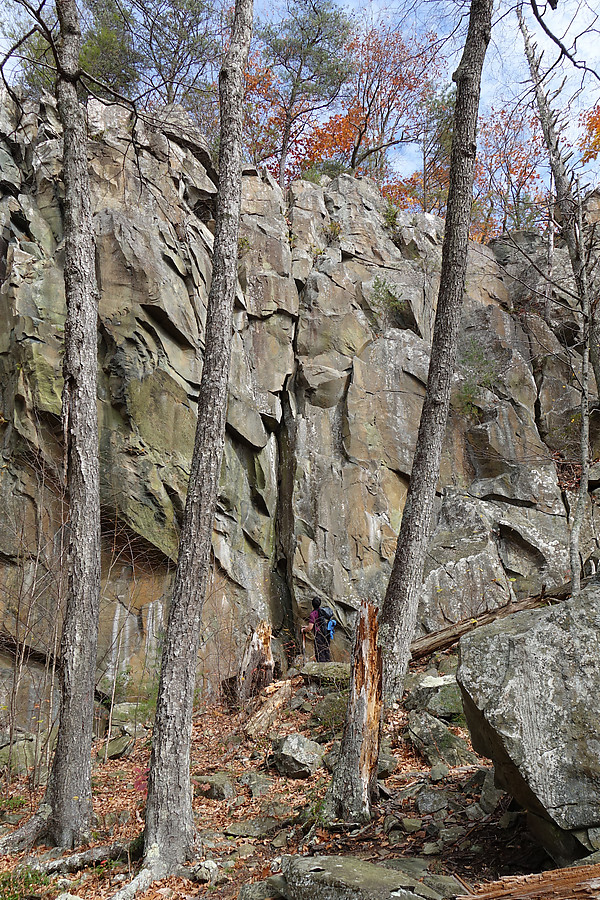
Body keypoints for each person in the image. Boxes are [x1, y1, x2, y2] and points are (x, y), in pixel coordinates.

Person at [301, 596, 331, 663]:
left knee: (319, 652)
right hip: (326, 633)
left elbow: (310, 627)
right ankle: (329, 666)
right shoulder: (323, 611)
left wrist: (304, 630)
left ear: (312, 604)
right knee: (326, 650)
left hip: (319, 634)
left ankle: (321, 668)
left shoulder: (313, 614)